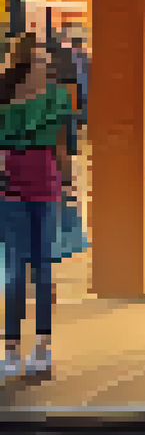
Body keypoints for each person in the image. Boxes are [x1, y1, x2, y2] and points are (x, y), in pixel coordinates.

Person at [0, 34, 76, 379]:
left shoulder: (56, 98)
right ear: (25, 65)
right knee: (15, 272)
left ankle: (43, 344)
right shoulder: (4, 96)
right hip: (10, 189)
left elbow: (60, 146)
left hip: (46, 187)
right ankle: (11, 347)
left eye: (48, 64)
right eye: (42, 63)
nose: (48, 69)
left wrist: (70, 184)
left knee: (43, 269)